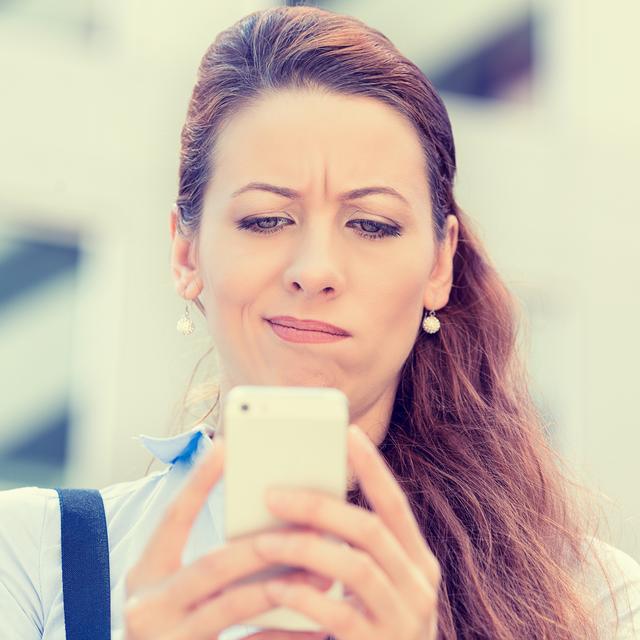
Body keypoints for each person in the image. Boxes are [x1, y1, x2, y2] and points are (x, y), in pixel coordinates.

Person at [1, 5, 639, 639]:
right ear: (186, 251)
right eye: (265, 219)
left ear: (439, 266)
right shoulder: (31, 557)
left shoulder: (593, 599)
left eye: (371, 225)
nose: (316, 270)